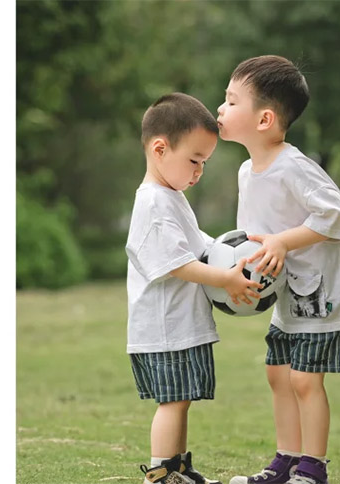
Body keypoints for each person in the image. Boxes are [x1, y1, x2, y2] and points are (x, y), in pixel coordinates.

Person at [216, 55, 340, 484]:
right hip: (288, 296)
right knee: (278, 375)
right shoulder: (247, 171)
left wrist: (285, 242)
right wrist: (237, 274)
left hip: (321, 294)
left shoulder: (294, 166)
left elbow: (337, 217)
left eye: (231, 102)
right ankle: (285, 461)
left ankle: (313, 469)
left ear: (265, 118)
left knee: (305, 380)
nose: (220, 109)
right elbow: (250, 238)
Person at [125, 92, 262, 484]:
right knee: (172, 402)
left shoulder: (172, 197)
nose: (199, 171)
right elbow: (179, 265)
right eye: (195, 161)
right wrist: (227, 278)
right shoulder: (152, 203)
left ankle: (177, 468)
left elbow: (200, 245)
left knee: (180, 401)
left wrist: (230, 253)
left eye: (205, 163)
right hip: (165, 328)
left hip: (181, 325)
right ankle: (161, 473)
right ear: (160, 149)